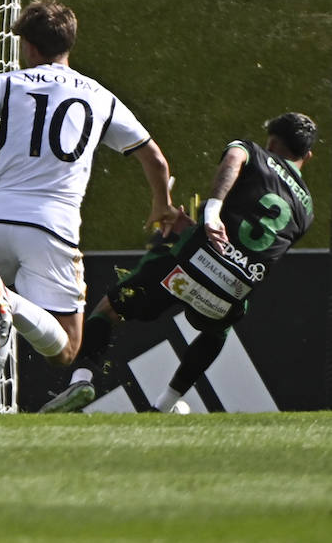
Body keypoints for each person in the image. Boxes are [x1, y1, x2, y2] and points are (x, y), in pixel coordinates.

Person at [0, 0, 177, 414]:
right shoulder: (100, 97)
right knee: (68, 348)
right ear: (69, 43)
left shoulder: (8, 83)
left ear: (28, 46)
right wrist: (161, 205)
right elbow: (155, 159)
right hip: (51, 224)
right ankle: (11, 303)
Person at [42, 112, 316, 413]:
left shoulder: (253, 151)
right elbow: (250, 244)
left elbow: (233, 159)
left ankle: (81, 380)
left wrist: (210, 213)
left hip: (188, 267)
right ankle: (163, 406)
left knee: (110, 308)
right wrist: (195, 230)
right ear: (307, 156)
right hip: (232, 290)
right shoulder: (307, 211)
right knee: (216, 333)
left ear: (272, 143)